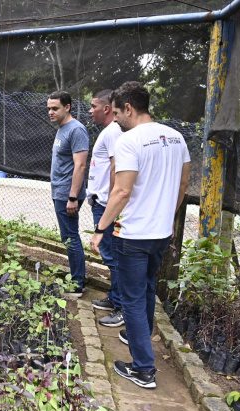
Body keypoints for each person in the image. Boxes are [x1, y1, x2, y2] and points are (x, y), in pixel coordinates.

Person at [92, 82, 190, 389]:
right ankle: (141, 336)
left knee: (132, 300)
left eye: (118, 112)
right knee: (147, 289)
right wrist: (167, 216)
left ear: (129, 109)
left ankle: (143, 368)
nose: (116, 118)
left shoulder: (129, 141)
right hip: (160, 233)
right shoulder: (177, 138)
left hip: (133, 234)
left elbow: (121, 190)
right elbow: (183, 185)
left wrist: (100, 229)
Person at [86, 90, 124, 326]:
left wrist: (111, 204)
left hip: (105, 205)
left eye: (93, 106)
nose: (90, 110)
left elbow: (115, 169)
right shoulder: (109, 132)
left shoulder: (114, 132)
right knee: (110, 255)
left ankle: (121, 305)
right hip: (101, 202)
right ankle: (114, 297)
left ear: (107, 108)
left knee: (113, 256)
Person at [47, 90, 89, 296]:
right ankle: (77, 277)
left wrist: (73, 197)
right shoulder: (62, 128)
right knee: (68, 237)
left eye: (55, 108)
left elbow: (80, 166)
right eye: (49, 109)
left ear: (67, 107)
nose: (50, 112)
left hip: (67, 194)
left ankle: (77, 284)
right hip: (60, 191)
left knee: (71, 237)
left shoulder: (76, 130)